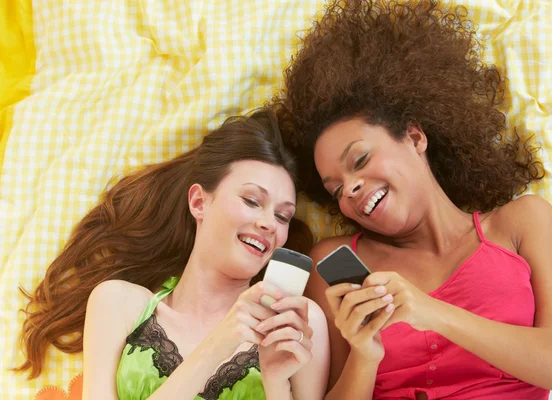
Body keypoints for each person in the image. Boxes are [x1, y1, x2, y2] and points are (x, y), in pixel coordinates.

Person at [273, 1, 552, 399]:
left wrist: (429, 311)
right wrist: (365, 354)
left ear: (415, 138)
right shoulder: (333, 260)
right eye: (335, 189)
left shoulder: (522, 222)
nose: (350, 189)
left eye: (360, 160)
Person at [14, 110, 330, 400]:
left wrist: (276, 384)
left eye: (283, 216)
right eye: (251, 200)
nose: (268, 223)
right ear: (199, 202)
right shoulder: (118, 303)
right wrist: (217, 345)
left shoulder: (299, 324)